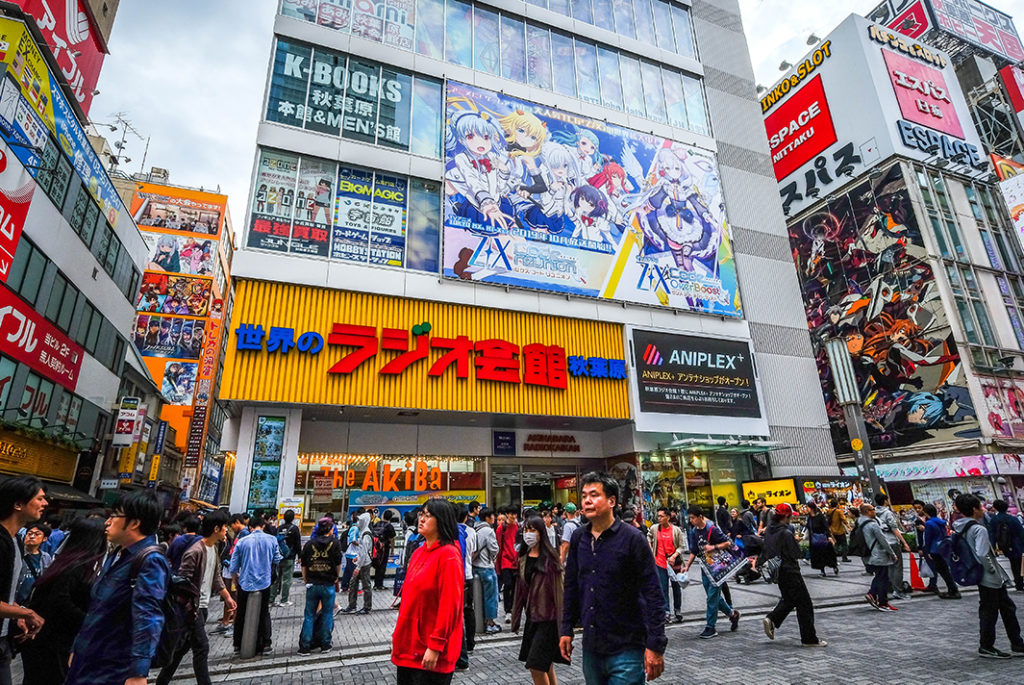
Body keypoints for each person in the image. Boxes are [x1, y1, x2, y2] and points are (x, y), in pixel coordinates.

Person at [560, 472, 666, 683]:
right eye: (583, 496)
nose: (587, 500)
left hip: (627, 647)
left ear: (611, 501)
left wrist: (655, 645)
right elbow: (572, 586)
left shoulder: (633, 539)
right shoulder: (579, 537)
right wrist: (566, 629)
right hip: (591, 648)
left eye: (594, 495)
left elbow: (653, 592)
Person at [66, 490, 169, 685]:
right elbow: (96, 609)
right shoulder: (118, 553)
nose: (107, 521)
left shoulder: (150, 560)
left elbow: (148, 616)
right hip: (88, 658)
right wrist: (77, 646)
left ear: (135, 522)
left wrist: (138, 673)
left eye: (114, 516)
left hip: (112, 666)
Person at [20, 517, 106, 685]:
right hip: (53, 643)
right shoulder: (78, 566)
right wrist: (90, 620)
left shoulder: (66, 562)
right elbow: (60, 600)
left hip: (46, 641)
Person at [156, 510, 236, 685]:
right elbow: (182, 582)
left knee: (181, 649)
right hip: (192, 608)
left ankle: (162, 681)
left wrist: (227, 597)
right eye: (224, 527)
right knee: (202, 647)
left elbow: (215, 577)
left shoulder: (212, 549)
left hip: (202, 605)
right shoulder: (195, 551)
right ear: (216, 528)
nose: (226, 531)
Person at [391, 499, 464, 684]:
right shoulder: (419, 552)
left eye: (428, 515)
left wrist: (436, 645)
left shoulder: (449, 555)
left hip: (430, 653)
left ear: (442, 520)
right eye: (421, 514)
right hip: (408, 647)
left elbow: (450, 607)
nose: (421, 519)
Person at [952, 493, 1024, 658]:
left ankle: (1015, 643)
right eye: (980, 506)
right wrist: (992, 571)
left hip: (978, 574)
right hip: (989, 577)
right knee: (992, 611)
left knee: (1004, 608)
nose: (983, 509)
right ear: (974, 509)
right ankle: (988, 645)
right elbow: (983, 554)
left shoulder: (961, 527)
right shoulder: (978, 528)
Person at [757, 503, 826, 647]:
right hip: (790, 571)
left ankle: (772, 619)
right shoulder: (786, 533)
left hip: (777, 570)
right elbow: (796, 554)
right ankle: (809, 639)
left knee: (789, 599)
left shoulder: (770, 529)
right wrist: (797, 541)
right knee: (804, 604)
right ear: (787, 516)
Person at [0, 477, 47, 683]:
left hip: (3, 639)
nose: (45, 504)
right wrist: (26, 612)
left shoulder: (16, 541)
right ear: (18, 504)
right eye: (39, 498)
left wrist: (15, 612)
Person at [512, 516, 568, 685]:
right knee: (546, 664)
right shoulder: (523, 558)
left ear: (541, 533)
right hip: (532, 619)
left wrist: (565, 626)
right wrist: (515, 620)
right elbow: (519, 592)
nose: (528, 534)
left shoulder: (550, 560)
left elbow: (560, 593)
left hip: (548, 620)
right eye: (526, 530)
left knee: (536, 665)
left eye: (532, 530)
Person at [682, 505, 740, 639]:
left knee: (712, 597)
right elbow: (694, 551)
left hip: (718, 567)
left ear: (700, 517)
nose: (691, 521)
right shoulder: (694, 532)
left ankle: (710, 626)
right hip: (705, 567)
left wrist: (713, 547)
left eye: (693, 518)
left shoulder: (712, 529)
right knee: (713, 596)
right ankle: (732, 614)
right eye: (690, 518)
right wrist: (687, 566)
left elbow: (728, 542)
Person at [229, 512, 282, 657]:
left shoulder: (242, 541)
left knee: (241, 613)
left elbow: (233, 566)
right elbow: (277, 559)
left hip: (245, 582)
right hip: (264, 582)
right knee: (264, 612)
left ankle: (238, 645)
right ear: (263, 526)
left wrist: (235, 579)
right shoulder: (271, 540)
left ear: (250, 526)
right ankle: (265, 644)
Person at [298, 517, 342, 655]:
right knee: (327, 614)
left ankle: (305, 646)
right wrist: (336, 577)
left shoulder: (310, 544)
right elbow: (338, 563)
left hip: (312, 583)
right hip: (328, 583)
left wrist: (306, 579)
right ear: (330, 529)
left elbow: (303, 564)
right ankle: (325, 644)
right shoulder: (335, 543)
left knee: (309, 615)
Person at [857, 503, 899, 612]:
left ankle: (875, 596)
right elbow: (883, 540)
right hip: (879, 554)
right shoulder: (872, 524)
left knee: (880, 576)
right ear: (867, 511)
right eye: (872, 509)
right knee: (883, 578)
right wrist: (892, 553)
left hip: (869, 554)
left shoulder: (860, 522)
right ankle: (880, 600)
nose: (874, 511)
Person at [647, 506, 685, 624]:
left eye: (661, 516)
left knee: (676, 587)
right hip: (660, 563)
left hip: (674, 564)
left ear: (668, 517)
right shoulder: (654, 528)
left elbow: (681, 546)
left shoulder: (676, 530)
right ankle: (666, 612)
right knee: (663, 588)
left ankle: (677, 610)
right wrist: (651, 551)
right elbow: (648, 537)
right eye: (658, 516)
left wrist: (674, 556)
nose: (659, 518)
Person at [874, 493, 912, 599]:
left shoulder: (874, 513)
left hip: (882, 543)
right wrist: (904, 543)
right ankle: (898, 590)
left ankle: (892, 587)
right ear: (885, 501)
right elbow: (894, 529)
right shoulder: (887, 513)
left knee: (890, 566)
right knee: (897, 567)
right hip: (892, 542)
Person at [920, 503, 960, 599]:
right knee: (945, 570)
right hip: (943, 546)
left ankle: (953, 590)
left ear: (926, 512)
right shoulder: (941, 522)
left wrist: (927, 551)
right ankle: (952, 589)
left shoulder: (929, 524)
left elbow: (928, 538)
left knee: (943, 571)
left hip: (934, 549)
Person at [472, 507, 501, 634]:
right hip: (486, 567)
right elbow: (494, 548)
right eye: (493, 516)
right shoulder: (488, 531)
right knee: (491, 596)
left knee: (478, 597)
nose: (494, 519)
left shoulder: (475, 528)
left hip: (475, 566)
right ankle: (490, 623)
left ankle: (480, 622)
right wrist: (493, 557)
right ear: (488, 517)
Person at [456, 505, 478, 669]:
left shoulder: (452, 532)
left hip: (459, 577)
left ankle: (461, 652)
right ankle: (470, 643)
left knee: (456, 615)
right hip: (468, 574)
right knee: (468, 610)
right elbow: (472, 552)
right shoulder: (470, 532)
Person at [341, 512, 373, 614]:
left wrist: (358, 567)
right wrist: (357, 559)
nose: (359, 522)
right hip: (360, 561)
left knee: (365, 585)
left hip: (364, 563)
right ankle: (352, 605)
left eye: (361, 521)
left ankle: (367, 607)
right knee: (353, 583)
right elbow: (361, 551)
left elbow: (364, 553)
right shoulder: (362, 531)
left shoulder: (366, 534)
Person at [990, 499, 1024, 593]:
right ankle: (1020, 582)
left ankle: (1018, 583)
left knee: (1013, 563)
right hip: (1017, 544)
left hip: (1005, 545)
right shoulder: (1013, 519)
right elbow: (1021, 532)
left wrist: (993, 547)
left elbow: (992, 535)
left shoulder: (994, 520)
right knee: (1020, 563)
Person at [270, 509, 302, 607]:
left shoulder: (278, 528)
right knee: (287, 579)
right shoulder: (295, 529)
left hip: (278, 557)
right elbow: (298, 544)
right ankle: (284, 600)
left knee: (276, 578)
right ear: (293, 518)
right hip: (289, 557)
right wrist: (299, 556)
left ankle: (271, 600)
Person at [16, 521, 52, 604]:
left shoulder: (46, 557)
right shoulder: (17, 553)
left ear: (45, 538)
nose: (32, 536)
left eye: (37, 534)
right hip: (15, 600)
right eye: (29, 533)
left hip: (31, 601)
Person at [497, 506, 521, 624]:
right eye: (511, 514)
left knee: (516, 587)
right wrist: (498, 565)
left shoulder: (520, 527)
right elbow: (499, 548)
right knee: (508, 585)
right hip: (505, 562)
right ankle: (508, 610)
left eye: (515, 514)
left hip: (517, 562)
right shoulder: (502, 529)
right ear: (506, 514)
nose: (513, 516)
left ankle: (514, 610)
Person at [805, 501, 839, 577]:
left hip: (823, 539)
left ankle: (834, 566)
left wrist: (829, 536)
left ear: (811, 508)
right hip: (814, 539)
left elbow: (826, 527)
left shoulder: (820, 516)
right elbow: (808, 528)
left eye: (807, 507)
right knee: (818, 556)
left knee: (828, 554)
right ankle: (822, 570)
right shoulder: (810, 518)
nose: (806, 509)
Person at [372, 511, 397, 590]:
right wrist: (392, 550)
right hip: (384, 549)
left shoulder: (377, 523)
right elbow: (392, 539)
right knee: (382, 566)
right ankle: (379, 585)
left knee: (377, 566)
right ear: (390, 518)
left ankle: (376, 584)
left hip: (375, 548)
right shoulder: (389, 526)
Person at [828, 498, 851, 562]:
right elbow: (844, 520)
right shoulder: (838, 511)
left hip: (832, 530)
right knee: (844, 544)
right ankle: (844, 557)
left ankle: (831, 556)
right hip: (839, 531)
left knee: (836, 544)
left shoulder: (828, 511)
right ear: (837, 504)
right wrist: (849, 527)